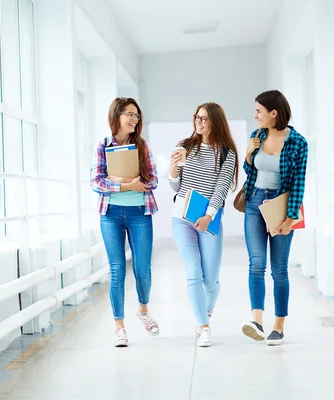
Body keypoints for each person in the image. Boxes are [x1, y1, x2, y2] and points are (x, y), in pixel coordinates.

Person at [90, 97, 160, 347]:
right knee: (117, 270)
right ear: (117, 116)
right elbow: (96, 182)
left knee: (143, 270)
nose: (134, 119)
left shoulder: (142, 145)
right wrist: (126, 184)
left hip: (139, 213)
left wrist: (128, 181)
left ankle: (143, 309)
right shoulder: (103, 145)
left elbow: (153, 181)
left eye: (136, 115)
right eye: (129, 114)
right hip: (110, 215)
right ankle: (119, 326)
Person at [240, 90, 308, 346]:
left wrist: (291, 219)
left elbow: (299, 183)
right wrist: (248, 154)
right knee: (256, 263)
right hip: (254, 202)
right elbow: (250, 171)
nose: (256, 116)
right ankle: (257, 321)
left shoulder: (298, 142)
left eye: (259, 111)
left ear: (273, 113)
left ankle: (278, 326)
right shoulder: (257, 135)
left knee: (279, 269)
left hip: (280, 206)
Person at [169, 102, 238, 347]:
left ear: (215, 121)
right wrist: (173, 171)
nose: (199, 122)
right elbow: (176, 187)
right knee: (192, 272)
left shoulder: (226, 152)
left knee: (210, 280)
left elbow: (221, 189)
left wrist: (208, 215)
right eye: (197, 117)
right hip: (181, 217)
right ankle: (203, 326)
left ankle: (205, 312)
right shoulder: (185, 146)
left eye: (204, 118)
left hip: (209, 219)